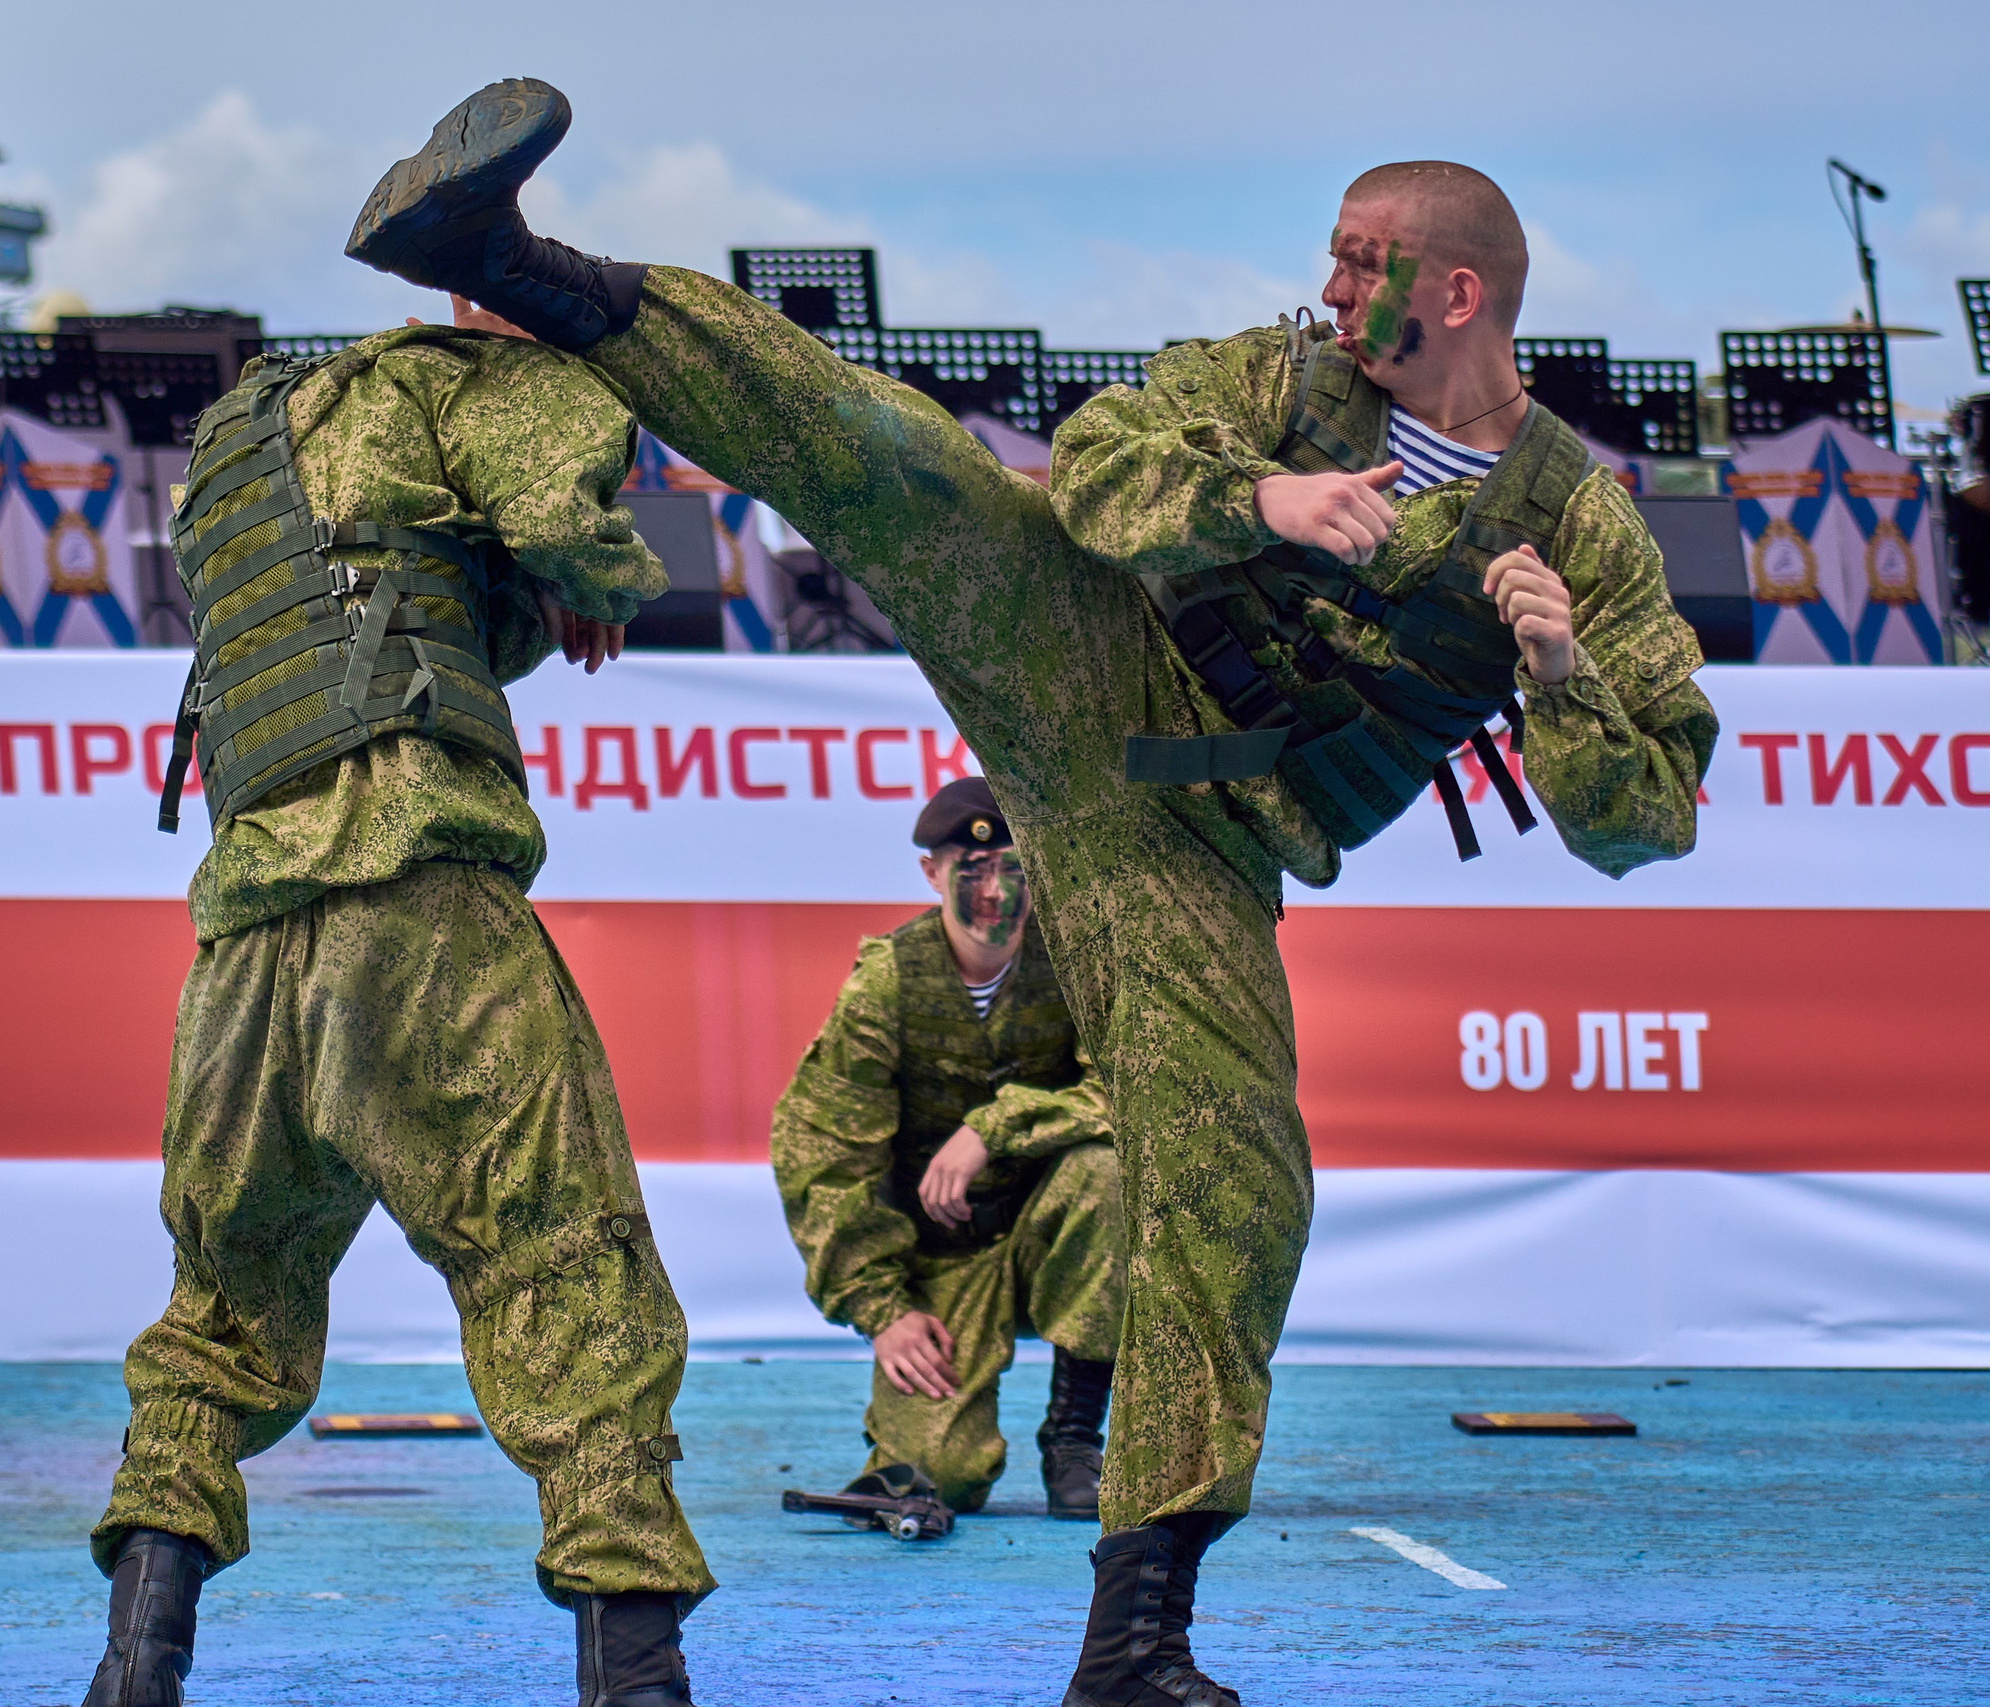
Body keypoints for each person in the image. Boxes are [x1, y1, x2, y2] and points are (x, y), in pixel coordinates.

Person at [345, 82, 1716, 1707]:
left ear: (1460, 291)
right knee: (894, 454)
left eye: (1366, 263)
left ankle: (1135, 1640)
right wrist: (1261, 498)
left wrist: (1557, 671)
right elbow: (1101, 460)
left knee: (1234, 1184)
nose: (1335, 287)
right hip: (1084, 646)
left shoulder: (1577, 526)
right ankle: (500, 255)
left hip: (1191, 831)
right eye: (1336, 257)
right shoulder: (1278, 378)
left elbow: (1646, 821)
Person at [82, 293, 715, 1707]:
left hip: (249, 938)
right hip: (420, 902)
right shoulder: (487, 377)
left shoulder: (251, 432)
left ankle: (135, 1669)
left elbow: (389, 604)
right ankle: (637, 1681)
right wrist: (603, 573)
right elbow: (559, 519)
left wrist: (522, 594)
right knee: (570, 1273)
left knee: (219, 1317)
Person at [772, 776, 1122, 1521]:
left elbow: (1124, 1095)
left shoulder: (1078, 963)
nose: (996, 892)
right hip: (940, 1261)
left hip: (1047, 1236)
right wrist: (884, 1310)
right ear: (932, 873)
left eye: (1015, 868)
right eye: (973, 870)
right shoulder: (888, 984)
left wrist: (991, 1128)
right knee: (938, 1478)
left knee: (1109, 1172)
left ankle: (1074, 1439)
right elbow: (823, 1155)